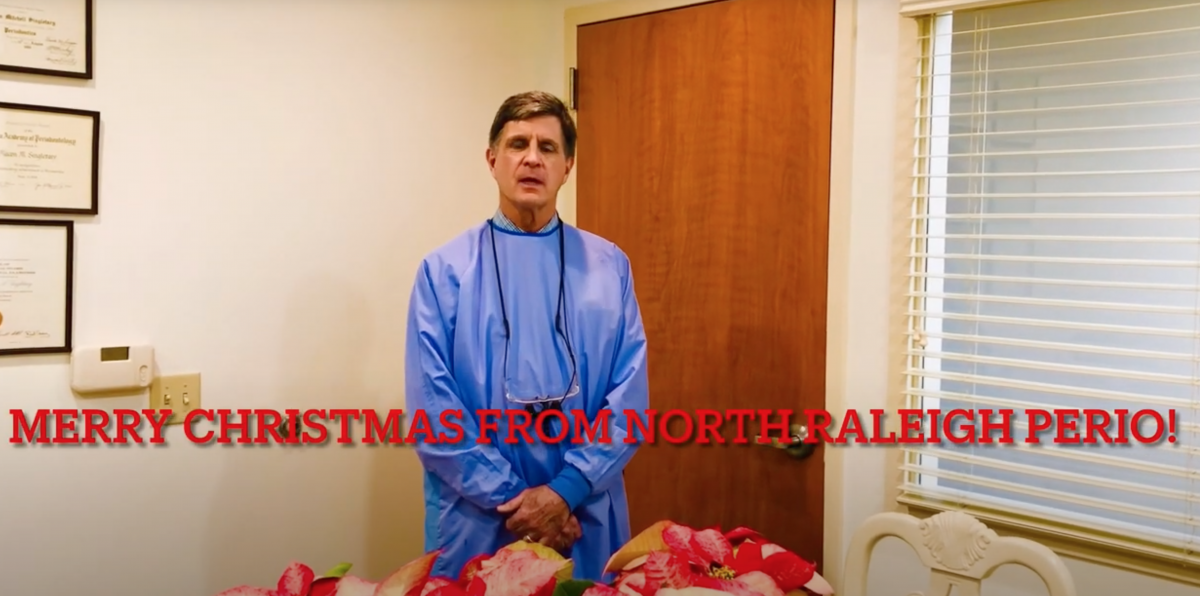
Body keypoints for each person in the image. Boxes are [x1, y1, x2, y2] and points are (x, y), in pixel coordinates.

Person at [404, 90, 650, 582]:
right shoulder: (445, 271)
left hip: (582, 514)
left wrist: (565, 492)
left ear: (568, 166)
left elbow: (629, 400)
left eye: (548, 147)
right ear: (492, 160)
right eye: (518, 144)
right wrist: (524, 506)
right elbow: (433, 410)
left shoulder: (609, 267)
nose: (532, 158)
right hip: (481, 519)